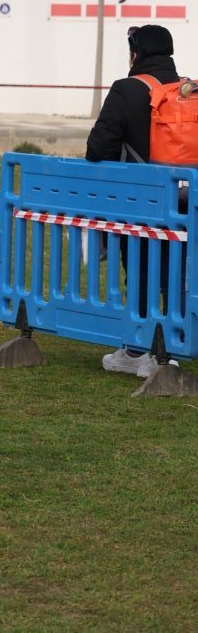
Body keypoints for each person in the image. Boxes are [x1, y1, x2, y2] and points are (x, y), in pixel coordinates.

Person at [86, 23, 181, 377]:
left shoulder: (127, 89)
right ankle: (172, 350)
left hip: (141, 205)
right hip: (185, 203)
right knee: (176, 274)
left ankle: (139, 350)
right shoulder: (186, 90)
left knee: (141, 272)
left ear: (136, 53)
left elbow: (98, 148)